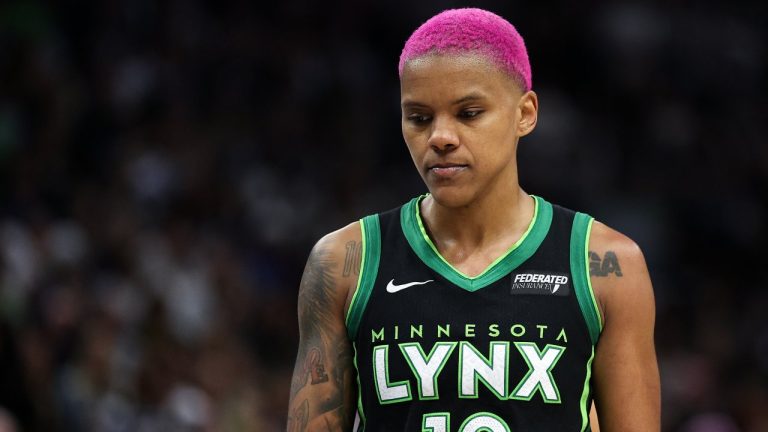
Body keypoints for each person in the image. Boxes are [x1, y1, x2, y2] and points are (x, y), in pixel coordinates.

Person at [287, 7, 659, 432]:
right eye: (419, 118)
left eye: (468, 113)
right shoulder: (343, 261)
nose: (440, 137)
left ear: (525, 113)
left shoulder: (608, 265)